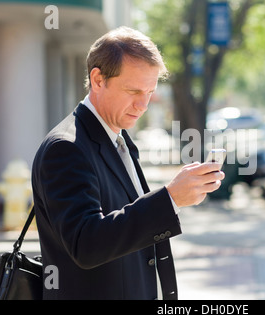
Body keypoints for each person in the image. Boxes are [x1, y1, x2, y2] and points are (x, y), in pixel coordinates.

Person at [31, 26, 225, 300]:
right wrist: (170, 199)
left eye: (150, 92)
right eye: (133, 91)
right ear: (98, 80)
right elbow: (86, 244)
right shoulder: (66, 147)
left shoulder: (117, 138)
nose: (143, 105)